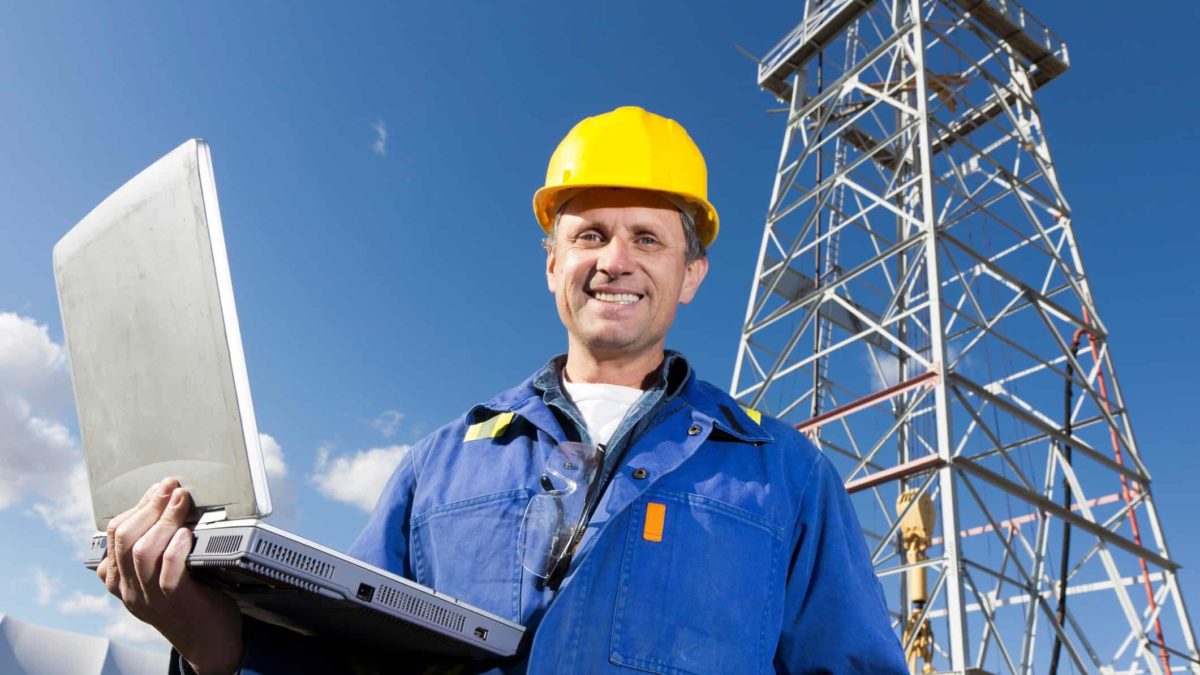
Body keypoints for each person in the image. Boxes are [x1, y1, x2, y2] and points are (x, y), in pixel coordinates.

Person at [99, 106, 907, 674]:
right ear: (552, 264)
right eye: (588, 233)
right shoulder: (438, 466)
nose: (614, 260)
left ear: (690, 274)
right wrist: (212, 640)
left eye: (647, 238)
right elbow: (346, 660)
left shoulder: (785, 475)